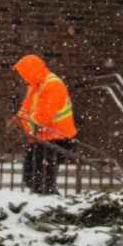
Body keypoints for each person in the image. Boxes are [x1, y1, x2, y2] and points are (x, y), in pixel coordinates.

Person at [14, 54, 77, 195]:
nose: (23, 78)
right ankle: (48, 204)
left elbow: (41, 119)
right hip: (43, 139)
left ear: (31, 71)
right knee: (33, 177)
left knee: (41, 180)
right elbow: (26, 108)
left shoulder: (52, 85)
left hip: (57, 139)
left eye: (24, 73)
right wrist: (19, 119)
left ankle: (53, 206)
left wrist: (26, 125)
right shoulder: (35, 85)